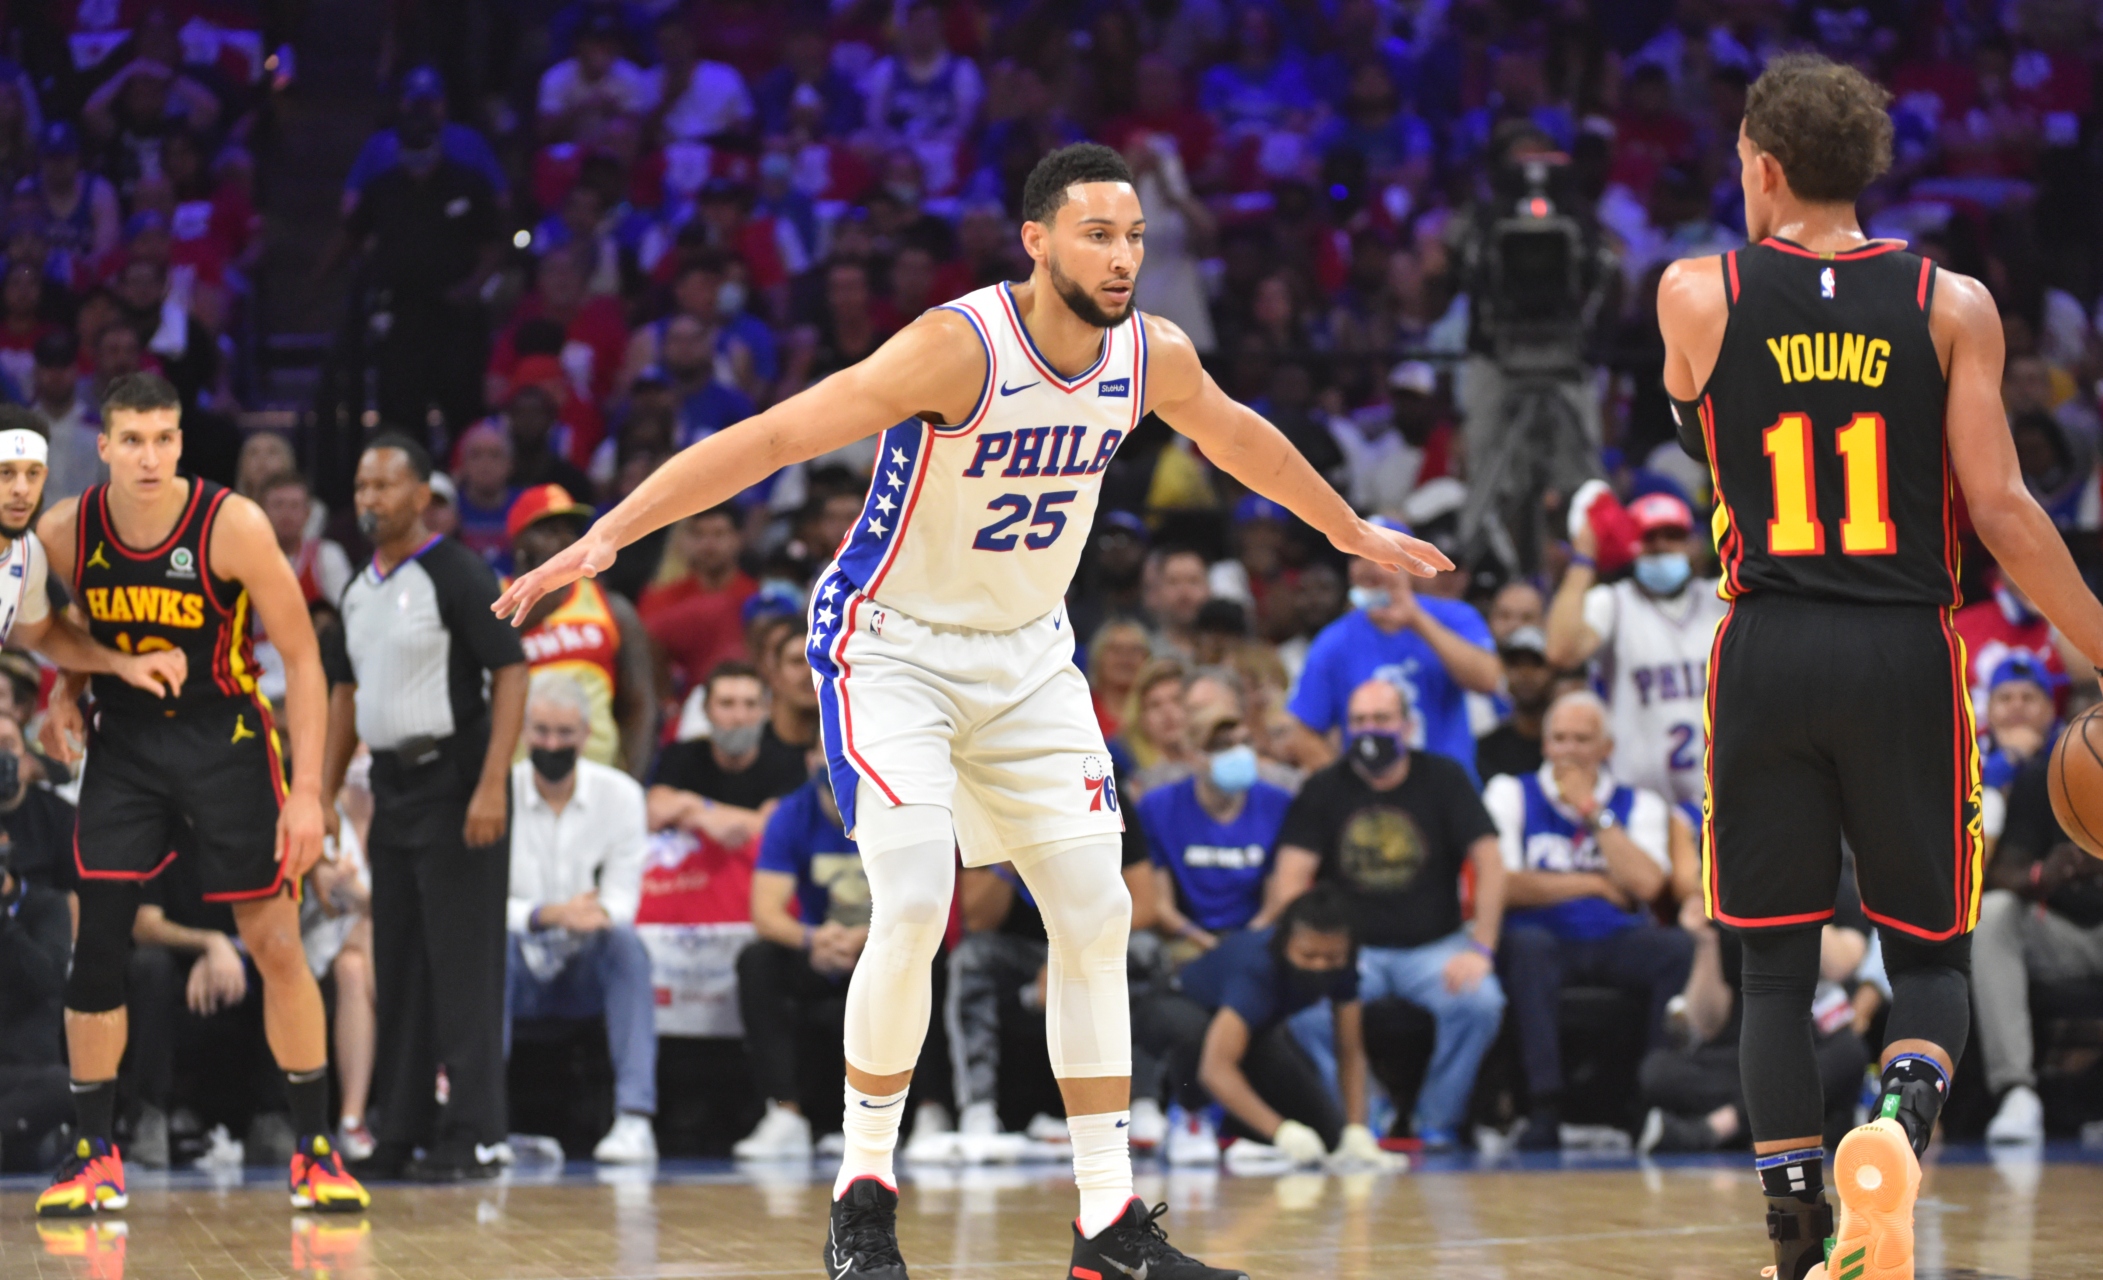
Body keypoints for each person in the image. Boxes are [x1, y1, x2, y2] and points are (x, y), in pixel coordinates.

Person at [498, 142, 1448, 1280]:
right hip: (890, 643)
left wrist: (1349, 527)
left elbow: (1236, 435)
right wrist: (613, 529)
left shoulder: (1149, 354)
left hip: (1030, 655)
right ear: (1037, 241)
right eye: (1098, 233)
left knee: (1096, 911)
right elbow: (777, 436)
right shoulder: (961, 346)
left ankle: (1108, 1225)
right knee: (913, 896)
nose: (1123, 255)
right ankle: (862, 1195)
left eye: (1136, 235)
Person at [1655, 53, 2103, 1280]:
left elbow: (1698, 426)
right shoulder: (1951, 303)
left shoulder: (1694, 292)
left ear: (1762, 166)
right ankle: (1900, 1121)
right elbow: (2004, 508)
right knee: (1934, 958)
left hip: (1769, 646)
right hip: (1906, 644)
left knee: (1774, 961)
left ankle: (1800, 1246)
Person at [34, 375, 369, 1216]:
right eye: (132, 440)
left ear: (182, 443)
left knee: (277, 945)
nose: (150, 456)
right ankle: (94, 1154)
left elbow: (304, 659)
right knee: (98, 946)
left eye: (164, 438)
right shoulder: (66, 531)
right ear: (102, 447)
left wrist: (307, 797)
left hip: (226, 737)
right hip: (126, 742)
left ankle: (314, 1150)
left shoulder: (234, 525)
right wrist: (67, 686)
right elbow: (54, 624)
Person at [317, 434, 528, 1182]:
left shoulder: (458, 573)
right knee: (396, 963)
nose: (370, 499)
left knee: (462, 966)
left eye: (385, 486)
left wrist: (494, 783)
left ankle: (474, 1132)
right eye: (361, 486)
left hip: (459, 780)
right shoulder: (355, 590)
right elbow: (344, 697)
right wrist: (319, 794)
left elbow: (510, 670)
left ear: (420, 496)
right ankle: (400, 1129)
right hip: (393, 789)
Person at [1263, 678, 1506, 1149]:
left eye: (1381, 719)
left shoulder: (1445, 777)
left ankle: (1437, 1120)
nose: (1369, 730)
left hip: (1436, 946)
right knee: (1303, 1007)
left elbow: (1491, 862)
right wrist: (1303, 952)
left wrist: (1483, 947)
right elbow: (1291, 877)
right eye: (1358, 721)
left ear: (1407, 725)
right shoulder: (1324, 787)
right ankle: (1365, 1113)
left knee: (1482, 1003)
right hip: (1351, 952)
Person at [1483, 691, 1693, 1149]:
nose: (1569, 750)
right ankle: (1544, 1106)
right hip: (1541, 940)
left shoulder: (1639, 804)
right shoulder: (1509, 792)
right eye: (1559, 738)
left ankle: (1650, 1099)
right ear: (1544, 746)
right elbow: (1505, 885)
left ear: (1606, 749)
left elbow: (1647, 886)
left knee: (1679, 949)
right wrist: (1596, 885)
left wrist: (1590, 810)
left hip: (1614, 940)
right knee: (1527, 948)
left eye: (1582, 739)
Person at [505, 673, 655, 1164]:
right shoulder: (496, 795)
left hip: (585, 965)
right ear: (525, 732)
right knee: (487, 948)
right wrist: (550, 914)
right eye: (542, 731)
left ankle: (634, 1120)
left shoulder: (622, 796)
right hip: (516, 963)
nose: (552, 743)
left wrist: (590, 916)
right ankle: (483, 1122)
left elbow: (621, 902)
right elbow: (484, 908)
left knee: (627, 946)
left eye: (564, 734)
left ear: (586, 736)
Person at [1140, 885, 1394, 1168]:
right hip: (1180, 1012)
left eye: (1332, 958)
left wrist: (1356, 1130)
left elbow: (1350, 1049)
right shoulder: (1257, 967)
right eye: (1309, 956)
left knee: (1328, 1139)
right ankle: (1190, 1116)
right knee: (1193, 1032)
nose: (1321, 966)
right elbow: (1215, 1069)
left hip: (1256, 1035)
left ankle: (1250, 1138)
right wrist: (1281, 1131)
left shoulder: (1344, 966)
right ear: (1285, 943)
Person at [1285, 522, 1502, 783]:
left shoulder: (1454, 616)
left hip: (1449, 798)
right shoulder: (1334, 641)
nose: (1367, 564)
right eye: (1357, 555)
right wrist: (1345, 792)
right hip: (1371, 801)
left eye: (1381, 553)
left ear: (1412, 562)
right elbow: (1304, 732)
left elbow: (1489, 679)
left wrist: (1416, 619)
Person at [1544, 492, 1724, 805]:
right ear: (1632, 544)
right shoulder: (1614, 602)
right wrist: (1585, 558)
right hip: (1642, 807)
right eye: (1649, 537)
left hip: (1723, 799)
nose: (1661, 545)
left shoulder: (1719, 599)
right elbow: (1561, 651)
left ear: (1693, 543)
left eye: (1673, 535)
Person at [731, 767, 873, 1159]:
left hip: (880, 945)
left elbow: (924, 899)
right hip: (820, 948)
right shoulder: (793, 813)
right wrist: (814, 938)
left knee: (926, 960)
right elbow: (765, 912)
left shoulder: (899, 809)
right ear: (810, 757)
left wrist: (865, 938)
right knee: (757, 961)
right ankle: (784, 1114)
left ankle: (925, 1114)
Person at [1971, 745, 2103, 1144]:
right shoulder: (2044, 776)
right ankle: (2017, 1092)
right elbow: (2000, 871)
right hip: (2057, 934)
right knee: (1993, 914)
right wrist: (2041, 874)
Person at [508, 485, 656, 775]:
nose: (562, 539)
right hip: (520, 772)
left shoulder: (611, 606)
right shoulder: (496, 602)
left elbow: (640, 704)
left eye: (568, 530)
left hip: (597, 771)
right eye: (548, 530)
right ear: (520, 542)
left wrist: (632, 781)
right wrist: (541, 605)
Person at [1140, 689, 1293, 947]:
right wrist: (1206, 944)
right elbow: (1159, 904)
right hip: (1183, 940)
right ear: (1192, 754)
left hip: (1256, 939)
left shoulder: (1279, 804)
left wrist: (1237, 947)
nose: (1238, 753)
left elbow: (1276, 899)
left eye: (1245, 742)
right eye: (1221, 745)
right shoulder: (1157, 808)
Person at [648, 661, 807, 844]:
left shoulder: (789, 763)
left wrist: (696, 807)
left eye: (751, 704)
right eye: (726, 704)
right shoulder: (680, 755)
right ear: (706, 710)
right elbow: (656, 812)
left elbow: (775, 827)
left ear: (766, 711)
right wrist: (742, 820)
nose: (739, 717)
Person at [0, 843, 71, 1171]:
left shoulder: (48, 907)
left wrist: (4, 922)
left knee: (66, 1086)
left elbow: (48, 980)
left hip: (29, 1073)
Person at [1476, 625, 1554, 782]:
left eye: (1536, 663)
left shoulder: (1569, 745)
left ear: (1554, 672)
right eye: (1516, 664)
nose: (1525, 673)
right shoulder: (1486, 749)